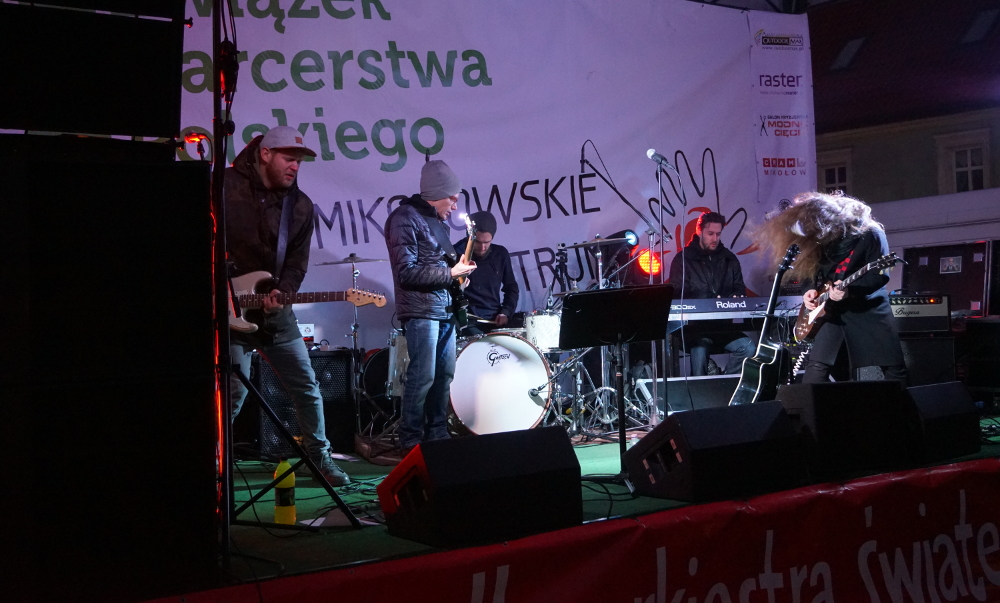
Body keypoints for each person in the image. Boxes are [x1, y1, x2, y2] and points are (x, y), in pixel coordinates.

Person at [225, 126, 350, 486]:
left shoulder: (300, 206)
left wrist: (284, 290)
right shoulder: (225, 187)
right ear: (265, 154)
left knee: (306, 386)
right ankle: (214, 457)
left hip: (274, 313)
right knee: (232, 393)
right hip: (227, 311)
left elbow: (296, 263)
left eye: (299, 161)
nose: (295, 166)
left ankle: (319, 458)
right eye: (289, 158)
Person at [756, 191, 908, 386]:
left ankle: (903, 406)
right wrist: (809, 290)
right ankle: (811, 407)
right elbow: (810, 268)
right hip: (832, 311)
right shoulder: (821, 238)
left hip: (867, 309)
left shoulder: (871, 233)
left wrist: (850, 291)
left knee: (894, 369)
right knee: (816, 371)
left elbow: (881, 276)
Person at [384, 160, 476, 452]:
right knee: (422, 375)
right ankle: (410, 439)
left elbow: (437, 267)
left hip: (444, 309)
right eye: (452, 199)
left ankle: (437, 434)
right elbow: (406, 272)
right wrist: (450, 273)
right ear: (437, 194)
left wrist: (458, 278)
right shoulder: (403, 218)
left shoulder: (435, 221)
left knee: (444, 374)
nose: (454, 206)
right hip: (420, 311)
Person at [668, 211, 754, 376]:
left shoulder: (729, 259)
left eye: (718, 234)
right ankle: (700, 389)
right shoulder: (683, 259)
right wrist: (708, 299)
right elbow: (677, 292)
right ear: (699, 231)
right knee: (700, 348)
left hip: (722, 328)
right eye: (710, 234)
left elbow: (739, 288)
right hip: (693, 329)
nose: (715, 238)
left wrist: (736, 297)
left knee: (748, 348)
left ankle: (725, 383)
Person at [452, 211, 519, 336]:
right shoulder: (455, 254)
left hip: (495, 319)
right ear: (470, 237)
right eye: (477, 242)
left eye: (487, 242)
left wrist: (505, 312)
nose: (482, 248)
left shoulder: (500, 254)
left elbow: (511, 287)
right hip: (467, 321)